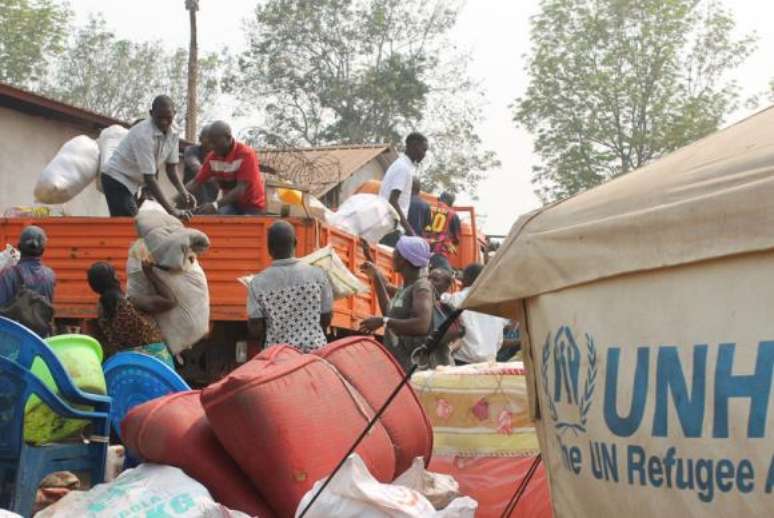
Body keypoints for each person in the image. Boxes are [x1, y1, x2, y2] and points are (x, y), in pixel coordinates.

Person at [359, 236, 452, 371]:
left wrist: (384, 321)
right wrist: (375, 274)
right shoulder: (406, 288)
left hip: (416, 372)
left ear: (404, 259)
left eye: (395, 253)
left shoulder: (422, 288)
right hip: (402, 368)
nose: (392, 256)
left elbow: (421, 325)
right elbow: (389, 312)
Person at [102, 95, 194, 220]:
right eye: (159, 118)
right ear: (151, 114)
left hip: (133, 183)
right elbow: (149, 178)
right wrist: (172, 211)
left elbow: (171, 168)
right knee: (130, 225)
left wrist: (184, 192)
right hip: (116, 179)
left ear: (174, 114)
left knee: (132, 224)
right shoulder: (144, 135)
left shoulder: (174, 133)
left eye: (168, 118)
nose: (164, 122)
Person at [247, 221, 333, 352]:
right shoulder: (318, 275)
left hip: (278, 355)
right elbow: (326, 318)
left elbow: (255, 329)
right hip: (314, 353)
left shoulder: (257, 283)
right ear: (295, 243)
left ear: (269, 248)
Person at [87, 261, 176, 368]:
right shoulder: (131, 302)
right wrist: (150, 273)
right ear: (115, 278)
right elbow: (170, 301)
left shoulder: (101, 311)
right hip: (155, 361)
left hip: (129, 364)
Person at [188, 121, 267, 215]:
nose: (212, 147)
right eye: (211, 143)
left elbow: (240, 190)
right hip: (231, 205)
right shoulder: (212, 157)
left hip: (252, 207)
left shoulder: (246, 154)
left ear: (228, 138)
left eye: (215, 142)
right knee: (214, 218)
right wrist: (178, 198)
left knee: (241, 226)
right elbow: (196, 182)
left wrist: (215, 205)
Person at [441, 263, 509, 365]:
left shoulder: (457, 299)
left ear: (466, 278)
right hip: (489, 364)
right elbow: (500, 338)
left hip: (462, 363)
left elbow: (441, 298)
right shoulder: (497, 303)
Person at [0, 226, 56, 337]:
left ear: (19, 247)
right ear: (43, 249)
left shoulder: (9, 274)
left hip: (13, 340)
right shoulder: (50, 275)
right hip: (39, 340)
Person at [378, 133, 429, 246]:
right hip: (391, 228)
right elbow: (393, 201)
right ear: (414, 145)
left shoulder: (401, 165)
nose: (424, 154)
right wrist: (410, 232)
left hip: (388, 226)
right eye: (423, 150)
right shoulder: (403, 168)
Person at [182, 124, 219, 206]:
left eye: (213, 138)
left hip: (210, 199)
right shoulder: (191, 150)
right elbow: (196, 167)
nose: (210, 141)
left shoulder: (219, 154)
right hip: (190, 196)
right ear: (200, 139)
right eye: (208, 137)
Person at [426, 191, 462, 259]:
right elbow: (456, 238)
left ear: (440, 199)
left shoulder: (428, 207)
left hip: (422, 247)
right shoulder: (453, 214)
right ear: (451, 202)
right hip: (440, 251)